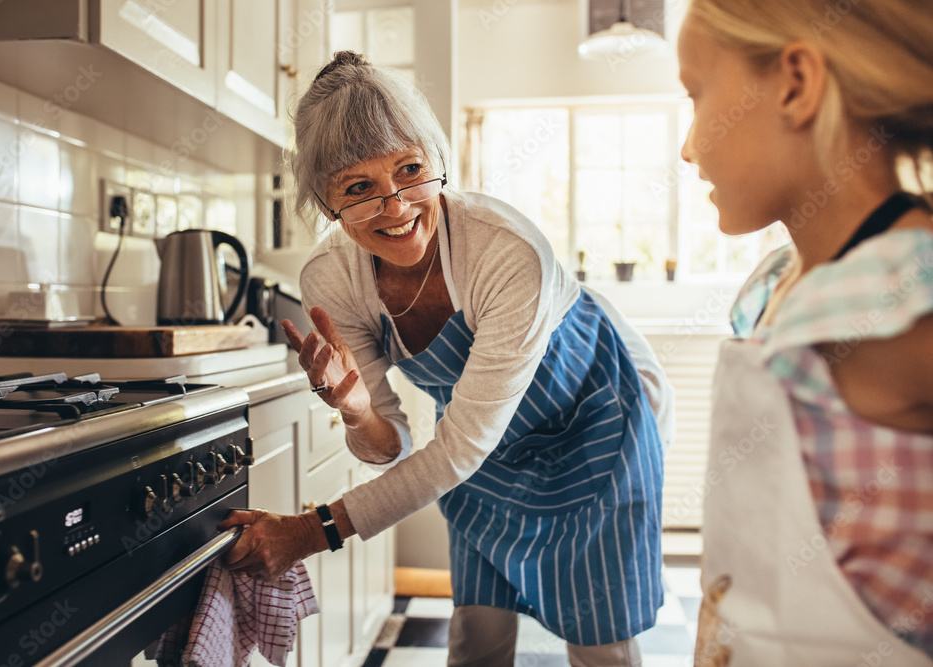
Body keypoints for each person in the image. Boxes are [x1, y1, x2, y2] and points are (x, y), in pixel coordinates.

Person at [219, 51, 674, 667]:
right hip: (484, 455)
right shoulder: (333, 281)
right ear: (327, 203)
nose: (398, 206)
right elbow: (392, 446)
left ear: (436, 161)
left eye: (410, 170)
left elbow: (458, 447)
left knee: (599, 642)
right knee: (477, 636)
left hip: (595, 432)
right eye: (360, 189)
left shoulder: (505, 253)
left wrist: (309, 531)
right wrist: (356, 411)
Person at [676, 1, 933, 665]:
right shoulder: (774, 285)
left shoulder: (911, 299)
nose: (689, 146)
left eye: (698, 96)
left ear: (795, 84)